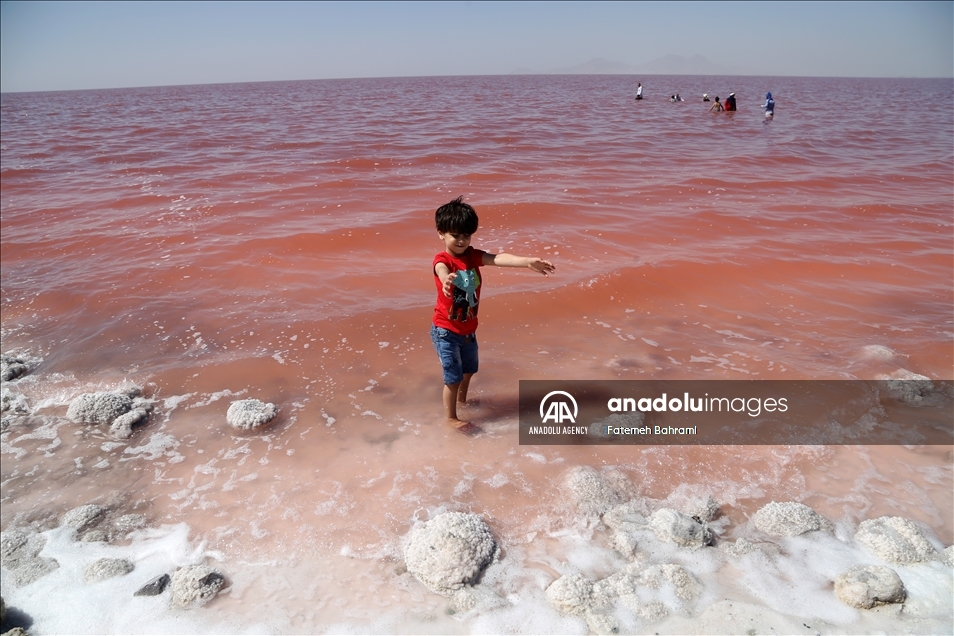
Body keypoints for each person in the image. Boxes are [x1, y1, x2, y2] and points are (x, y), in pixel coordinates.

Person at [431, 197, 555, 433]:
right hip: (445, 330)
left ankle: (462, 402)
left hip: (469, 329)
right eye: (455, 235)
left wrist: (527, 262)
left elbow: (499, 258)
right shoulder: (442, 259)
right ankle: (451, 417)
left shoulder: (472, 256)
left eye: (466, 235)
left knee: (469, 372)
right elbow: (440, 268)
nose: (461, 240)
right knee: (453, 377)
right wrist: (447, 277)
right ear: (441, 233)